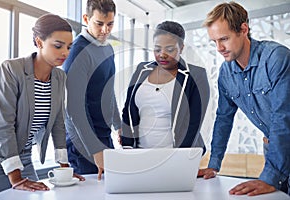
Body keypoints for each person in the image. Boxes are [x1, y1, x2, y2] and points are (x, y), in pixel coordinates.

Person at [198, 1, 290, 196]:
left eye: (224, 38)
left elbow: (283, 117)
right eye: (214, 41)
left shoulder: (276, 58)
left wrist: (269, 177)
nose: (219, 48)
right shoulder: (225, 73)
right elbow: (223, 118)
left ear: (243, 29)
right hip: (274, 149)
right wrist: (214, 165)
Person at [0, 13, 84, 197]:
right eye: (58, 46)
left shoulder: (59, 77)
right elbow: (2, 125)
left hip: (24, 156)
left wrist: (64, 170)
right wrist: (15, 177)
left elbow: (58, 124)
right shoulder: (11, 70)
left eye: (69, 47)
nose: (65, 52)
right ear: (39, 42)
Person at [121, 21, 209, 152]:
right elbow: (128, 111)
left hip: (176, 155)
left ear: (181, 47)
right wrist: (127, 147)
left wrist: (180, 157)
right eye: (157, 49)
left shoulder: (196, 76)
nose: (162, 54)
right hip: (139, 154)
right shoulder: (141, 70)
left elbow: (193, 123)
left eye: (169, 49)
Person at [62, 0, 121, 180]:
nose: (105, 30)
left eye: (110, 24)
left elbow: (108, 92)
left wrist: (118, 125)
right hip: (82, 143)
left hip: (104, 136)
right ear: (86, 19)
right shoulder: (77, 52)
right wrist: (95, 150)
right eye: (99, 24)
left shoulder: (108, 49)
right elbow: (74, 108)